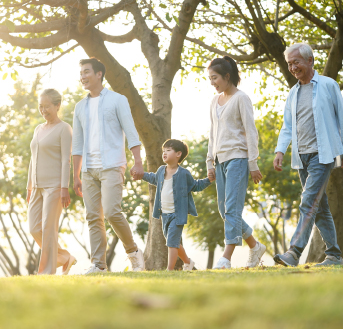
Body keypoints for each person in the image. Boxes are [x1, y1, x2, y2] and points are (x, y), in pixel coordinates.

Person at [273, 43, 343, 267]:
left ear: (310, 60)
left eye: (296, 62)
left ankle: (293, 252)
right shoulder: (293, 92)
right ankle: (334, 255)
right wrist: (280, 150)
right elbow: (287, 126)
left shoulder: (328, 85)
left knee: (308, 203)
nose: (293, 67)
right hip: (301, 157)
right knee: (320, 207)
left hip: (322, 155)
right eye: (289, 64)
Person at [72, 57, 145, 274]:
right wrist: (75, 175)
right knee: (93, 217)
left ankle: (133, 253)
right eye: (81, 73)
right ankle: (99, 264)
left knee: (112, 212)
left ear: (99, 74)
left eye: (86, 72)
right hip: (88, 170)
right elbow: (77, 143)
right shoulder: (79, 107)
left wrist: (138, 160)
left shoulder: (117, 100)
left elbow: (131, 131)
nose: (83, 76)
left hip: (112, 165)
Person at [206, 56, 266, 269]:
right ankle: (255, 245)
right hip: (220, 160)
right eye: (210, 78)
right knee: (224, 211)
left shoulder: (242, 98)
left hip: (238, 159)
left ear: (227, 76)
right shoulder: (214, 101)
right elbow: (213, 133)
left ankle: (226, 258)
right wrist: (209, 162)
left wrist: (253, 163)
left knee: (232, 209)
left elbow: (251, 131)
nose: (212, 82)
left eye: (215, 78)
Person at [134, 139, 213, 271]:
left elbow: (196, 186)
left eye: (168, 150)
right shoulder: (161, 171)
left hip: (178, 214)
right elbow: (153, 178)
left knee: (171, 242)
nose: (164, 153)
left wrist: (209, 180)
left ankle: (169, 270)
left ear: (178, 154)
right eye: (163, 151)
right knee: (174, 242)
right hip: (164, 214)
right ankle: (188, 262)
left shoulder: (183, 173)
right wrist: (141, 175)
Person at [27, 89, 76, 275]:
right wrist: (29, 186)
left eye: (47, 106)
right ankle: (64, 257)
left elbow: (66, 160)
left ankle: (46, 272)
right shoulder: (38, 129)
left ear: (57, 105)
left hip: (55, 186)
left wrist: (65, 187)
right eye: (41, 106)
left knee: (48, 229)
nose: (43, 110)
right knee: (33, 228)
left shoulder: (64, 129)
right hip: (37, 186)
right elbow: (33, 158)